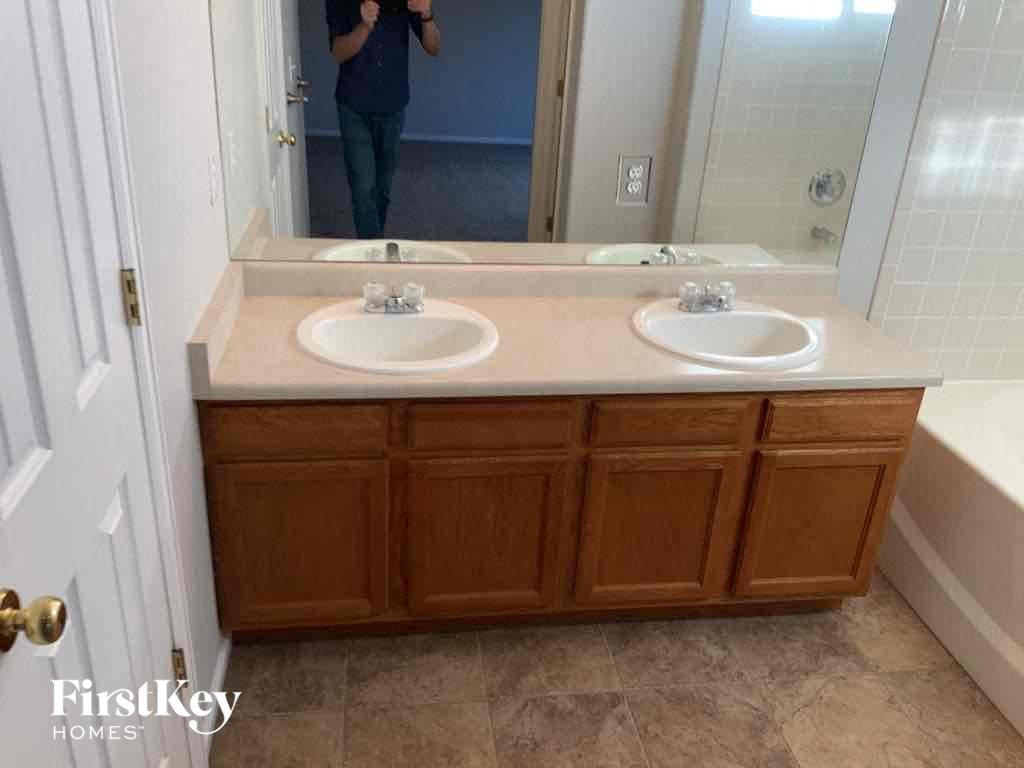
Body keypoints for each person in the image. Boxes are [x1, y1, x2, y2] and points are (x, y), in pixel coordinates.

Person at [326, 0, 440, 238]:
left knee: (382, 190)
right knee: (363, 189)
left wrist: (427, 15)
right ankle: (372, 252)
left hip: (393, 105)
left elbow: (434, 47)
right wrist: (365, 26)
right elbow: (338, 51)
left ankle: (373, 243)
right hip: (353, 106)